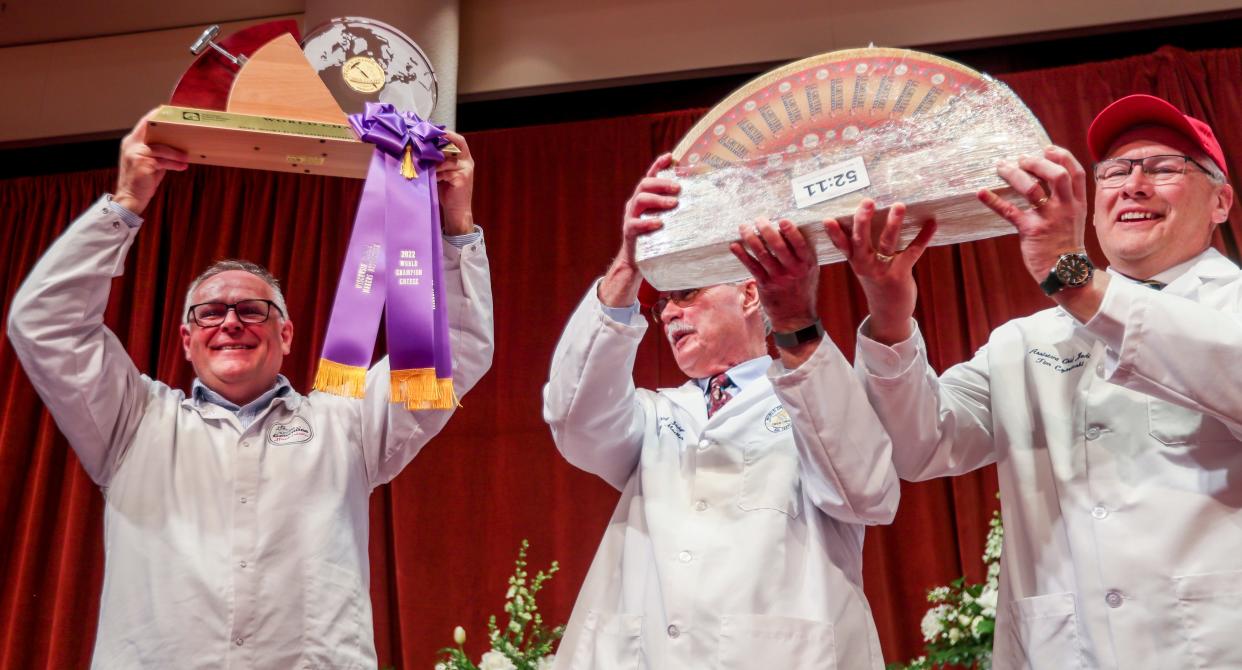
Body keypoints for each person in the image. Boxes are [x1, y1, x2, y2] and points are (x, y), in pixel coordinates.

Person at [6, 112, 494, 668]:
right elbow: (44, 324)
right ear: (187, 339)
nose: (231, 322)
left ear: (285, 334)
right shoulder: (133, 421)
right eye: (211, 312)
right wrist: (123, 206)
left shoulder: (348, 425)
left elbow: (455, 347)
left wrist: (456, 225)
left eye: (252, 310)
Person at [827, 94, 1239, 669]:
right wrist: (891, 315)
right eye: (1116, 172)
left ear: (1221, 201)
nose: (1133, 185)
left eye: (1164, 167)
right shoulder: (1027, 340)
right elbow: (917, 447)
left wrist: (1077, 281)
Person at [543, 153, 900, 669]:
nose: (667, 313)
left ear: (750, 294)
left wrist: (796, 322)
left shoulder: (818, 391)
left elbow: (868, 495)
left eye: (687, 293)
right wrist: (627, 264)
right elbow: (574, 418)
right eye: (660, 300)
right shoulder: (653, 417)